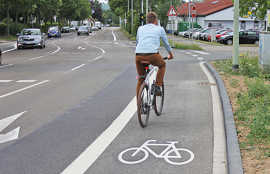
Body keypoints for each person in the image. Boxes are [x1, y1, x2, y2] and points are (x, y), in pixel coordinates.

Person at [135, 11, 174, 98]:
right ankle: (157, 86)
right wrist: (170, 55)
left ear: (147, 20)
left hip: (138, 55)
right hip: (152, 55)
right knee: (162, 65)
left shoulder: (140, 28)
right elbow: (166, 44)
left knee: (141, 78)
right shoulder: (159, 29)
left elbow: (137, 42)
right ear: (155, 20)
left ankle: (139, 105)